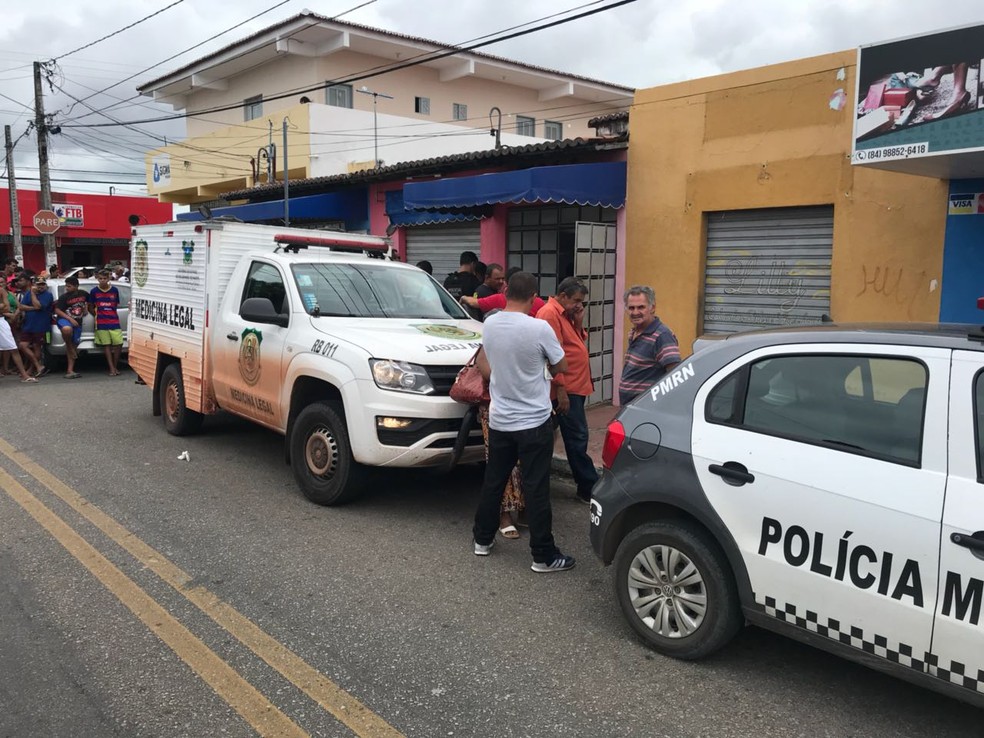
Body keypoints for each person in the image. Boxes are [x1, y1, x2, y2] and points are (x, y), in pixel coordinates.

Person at [472, 270, 575, 573]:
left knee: (494, 481)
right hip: (533, 422)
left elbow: (483, 361)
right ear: (533, 297)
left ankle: (482, 540)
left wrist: (505, 373)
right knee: (536, 487)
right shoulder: (539, 328)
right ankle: (543, 556)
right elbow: (562, 365)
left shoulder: (490, 323)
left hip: (501, 419)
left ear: (505, 293)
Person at [538, 277, 599, 503]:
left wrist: (579, 322)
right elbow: (552, 355)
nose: (579, 304)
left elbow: (575, 344)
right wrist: (561, 388)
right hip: (566, 389)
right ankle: (588, 487)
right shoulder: (550, 314)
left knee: (565, 437)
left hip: (575, 386)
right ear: (562, 295)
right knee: (576, 438)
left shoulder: (565, 315)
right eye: (575, 300)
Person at [618, 285, 681, 406]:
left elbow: (674, 376)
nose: (635, 312)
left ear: (652, 308)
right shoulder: (634, 332)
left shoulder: (662, 336)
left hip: (646, 408)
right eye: (631, 308)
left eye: (641, 307)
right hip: (629, 407)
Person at [16, 274, 53, 378]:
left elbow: (38, 305)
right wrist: (33, 307)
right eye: (38, 284)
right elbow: (21, 306)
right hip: (28, 325)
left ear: (46, 285)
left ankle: (32, 369)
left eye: (42, 284)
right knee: (23, 346)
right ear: (34, 285)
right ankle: (38, 366)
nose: (40, 287)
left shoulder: (48, 295)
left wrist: (32, 294)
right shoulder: (28, 293)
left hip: (40, 326)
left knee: (37, 348)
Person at [88, 269, 124, 376]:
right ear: (97, 279)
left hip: (114, 321)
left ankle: (115, 365)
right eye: (100, 279)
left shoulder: (114, 290)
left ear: (108, 278)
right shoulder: (94, 291)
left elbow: (115, 305)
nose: (103, 281)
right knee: (107, 345)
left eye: (105, 278)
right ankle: (111, 368)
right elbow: (90, 306)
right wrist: (97, 315)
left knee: (119, 343)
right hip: (101, 322)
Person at [54, 276, 89, 379]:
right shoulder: (64, 297)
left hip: (78, 322)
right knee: (67, 329)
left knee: (74, 346)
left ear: (76, 286)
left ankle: (70, 370)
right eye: (66, 286)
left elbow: (88, 301)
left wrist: (86, 307)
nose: (67, 288)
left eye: (69, 286)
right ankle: (68, 346)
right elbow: (57, 310)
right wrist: (70, 319)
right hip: (65, 320)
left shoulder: (83, 294)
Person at [0, 280, 35, 383]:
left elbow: (6, 308)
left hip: (1, 321)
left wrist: (2, 307)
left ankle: (24, 375)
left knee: (13, 348)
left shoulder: (2, 291)